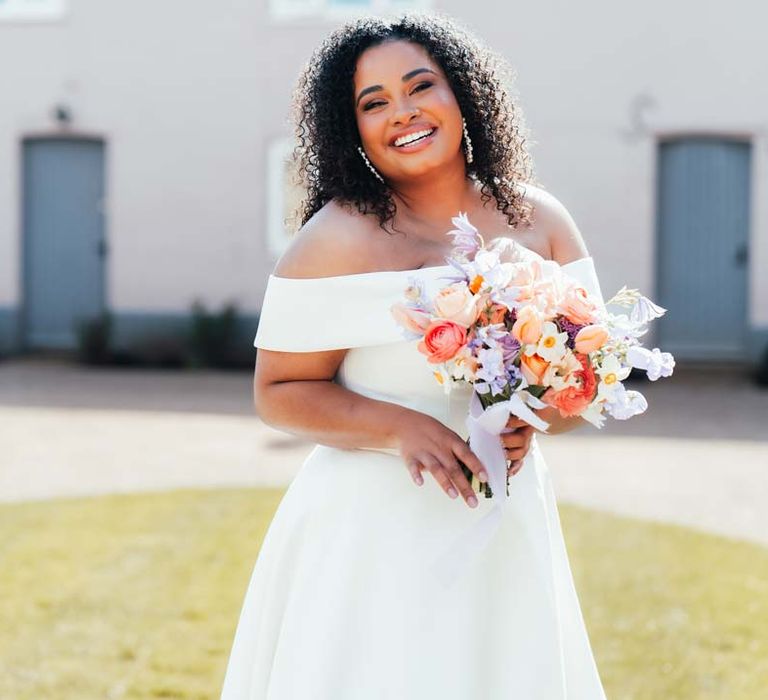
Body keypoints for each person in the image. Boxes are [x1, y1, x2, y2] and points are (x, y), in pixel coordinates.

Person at [221, 12, 607, 699]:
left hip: (504, 522)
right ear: (354, 129)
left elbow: (591, 380)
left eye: (419, 86)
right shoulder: (332, 240)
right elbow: (278, 389)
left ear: (463, 93)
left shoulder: (541, 221)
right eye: (373, 103)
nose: (402, 113)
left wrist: (536, 418)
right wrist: (402, 428)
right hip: (369, 532)